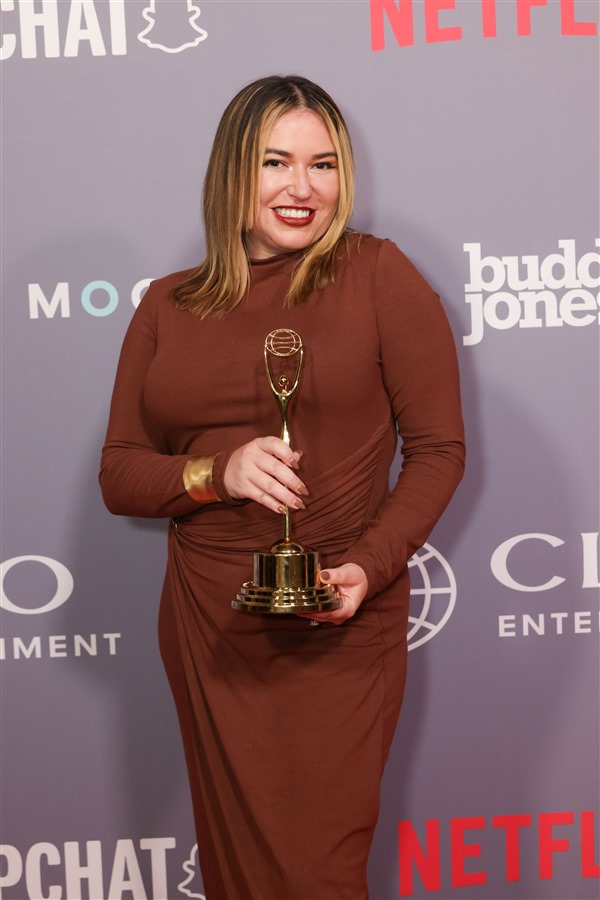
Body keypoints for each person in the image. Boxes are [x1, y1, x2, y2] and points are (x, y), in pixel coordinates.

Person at [99, 74, 465, 900]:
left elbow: (440, 449)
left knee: (316, 876)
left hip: (336, 620)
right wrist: (215, 472)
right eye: (276, 162)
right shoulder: (165, 305)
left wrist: (367, 568)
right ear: (233, 171)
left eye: (323, 164)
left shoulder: (378, 274)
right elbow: (120, 471)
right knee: (237, 877)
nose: (303, 188)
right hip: (208, 623)